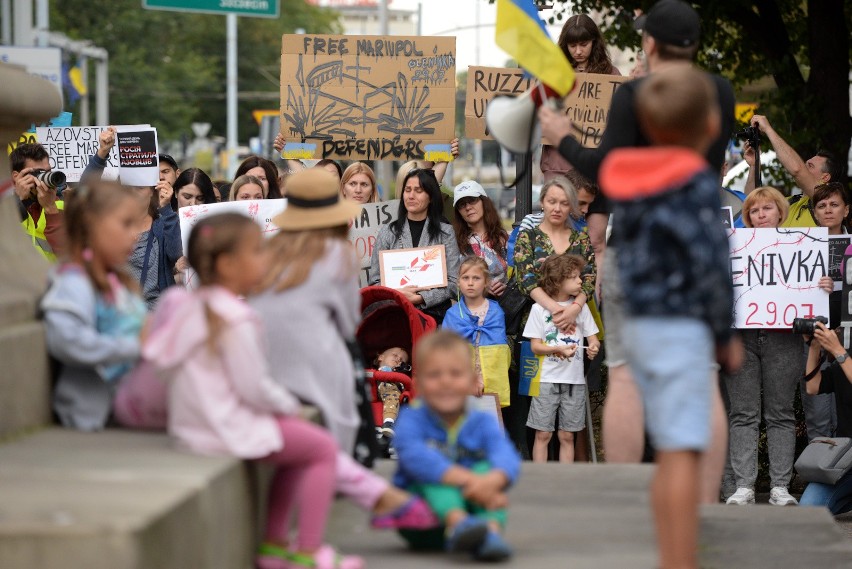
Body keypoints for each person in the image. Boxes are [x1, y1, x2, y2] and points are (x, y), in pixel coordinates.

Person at [538, 0, 735, 504]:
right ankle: (705, 502)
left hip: (638, 250)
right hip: (694, 249)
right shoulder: (719, 92)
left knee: (624, 373)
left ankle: (625, 498)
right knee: (704, 377)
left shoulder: (634, 95)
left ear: (649, 43)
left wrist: (565, 136)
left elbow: (609, 171)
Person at [141, 213, 362, 569]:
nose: (267, 258)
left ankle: (274, 546)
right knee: (320, 447)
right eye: (258, 251)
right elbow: (254, 387)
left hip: (192, 425)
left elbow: (160, 361)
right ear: (228, 264)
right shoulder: (237, 317)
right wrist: (287, 404)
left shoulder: (190, 307)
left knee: (298, 450)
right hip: (226, 427)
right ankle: (307, 551)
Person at [599, 66, 741, 569]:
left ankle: (665, 547)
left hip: (639, 326)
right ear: (709, 127)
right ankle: (679, 560)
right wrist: (724, 334)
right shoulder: (696, 186)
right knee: (682, 450)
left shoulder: (628, 181)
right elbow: (711, 266)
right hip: (683, 330)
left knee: (663, 448)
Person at [250, 169, 439, 532]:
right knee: (328, 451)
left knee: (299, 459)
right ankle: (313, 539)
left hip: (274, 371)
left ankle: (280, 536)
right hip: (321, 366)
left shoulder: (268, 255)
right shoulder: (335, 256)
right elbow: (346, 317)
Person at [393, 330, 521, 561]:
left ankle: (489, 536)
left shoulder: (480, 420)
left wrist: (493, 480)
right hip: (422, 521)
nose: (445, 382)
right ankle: (457, 523)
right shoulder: (412, 419)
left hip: (475, 509)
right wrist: (471, 480)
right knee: (434, 473)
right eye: (434, 375)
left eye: (455, 374)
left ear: (473, 382)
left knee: (487, 470)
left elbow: (505, 453)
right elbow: (416, 458)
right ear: (418, 385)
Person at [41, 181, 147, 431]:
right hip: (99, 413)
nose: (135, 234)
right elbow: (69, 341)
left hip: (126, 400)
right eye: (126, 224)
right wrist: (137, 346)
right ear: (91, 224)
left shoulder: (118, 280)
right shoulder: (74, 282)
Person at [722, 186, 804, 507]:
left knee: (781, 412)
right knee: (742, 412)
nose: (761, 215)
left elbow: (810, 286)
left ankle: (780, 487)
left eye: (767, 209)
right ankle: (744, 486)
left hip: (784, 337)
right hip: (742, 336)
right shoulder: (733, 246)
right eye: (754, 211)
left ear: (780, 212)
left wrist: (823, 284)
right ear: (748, 217)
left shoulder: (800, 246)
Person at [522, 254, 600, 463]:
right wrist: (557, 349)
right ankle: (541, 479)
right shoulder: (538, 309)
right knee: (543, 433)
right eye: (573, 277)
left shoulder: (580, 310)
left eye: (579, 276)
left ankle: (565, 481)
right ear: (557, 281)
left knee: (567, 435)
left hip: (574, 381)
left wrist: (593, 348)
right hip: (546, 380)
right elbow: (536, 346)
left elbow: (594, 339)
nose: (580, 281)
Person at [369, 168, 461, 325]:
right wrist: (398, 293)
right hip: (396, 317)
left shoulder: (445, 232)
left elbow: (454, 283)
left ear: (431, 197)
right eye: (407, 190)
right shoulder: (388, 231)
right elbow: (374, 281)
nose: (411, 196)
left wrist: (421, 298)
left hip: (435, 320)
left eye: (418, 191)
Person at [541, 14, 621, 181]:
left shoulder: (611, 76)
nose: (578, 51)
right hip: (558, 166)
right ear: (565, 46)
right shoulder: (552, 74)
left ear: (594, 42)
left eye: (584, 45)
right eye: (572, 45)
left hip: (593, 168)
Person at [513, 180, 596, 335]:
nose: (557, 209)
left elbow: (589, 279)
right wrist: (557, 310)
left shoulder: (581, 239)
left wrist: (574, 309)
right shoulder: (528, 237)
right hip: (536, 322)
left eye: (564, 203)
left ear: (571, 206)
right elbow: (526, 280)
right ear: (543, 202)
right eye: (552, 202)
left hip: (576, 322)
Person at [744, 114, 843, 228]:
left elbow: (797, 170)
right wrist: (754, 165)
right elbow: (750, 203)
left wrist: (768, 129)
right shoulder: (788, 202)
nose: (804, 168)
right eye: (804, 164)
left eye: (809, 166)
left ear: (825, 177)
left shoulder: (826, 202)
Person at [442, 257, 512, 408]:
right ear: (458, 282)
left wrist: (482, 378)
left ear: (487, 282)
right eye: (465, 278)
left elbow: (500, 352)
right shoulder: (453, 314)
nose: (470, 283)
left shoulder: (496, 312)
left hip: (491, 379)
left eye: (476, 278)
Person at [800, 322, 852, 514]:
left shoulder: (843, 356)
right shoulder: (844, 360)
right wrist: (813, 347)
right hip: (846, 461)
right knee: (809, 508)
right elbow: (813, 387)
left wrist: (838, 350)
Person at [127, 185, 183, 310]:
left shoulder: (163, 224)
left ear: (152, 191)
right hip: (122, 315)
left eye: (139, 187)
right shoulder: (113, 227)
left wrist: (166, 208)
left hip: (157, 314)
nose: (132, 191)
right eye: (127, 187)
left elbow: (176, 254)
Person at [10, 142, 66, 261]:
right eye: (39, 173)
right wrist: (18, 203)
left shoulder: (65, 206)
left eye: (48, 171)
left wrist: (51, 209)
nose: (46, 178)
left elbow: (70, 257)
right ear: (17, 177)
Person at [452, 181, 509, 294]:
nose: (468, 207)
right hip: (469, 308)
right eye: (462, 204)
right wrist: (481, 288)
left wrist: (506, 288)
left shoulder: (504, 238)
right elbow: (451, 283)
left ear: (484, 202)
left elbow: (518, 275)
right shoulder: (453, 242)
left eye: (472, 200)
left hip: (505, 306)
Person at [373, 346, 411, 438]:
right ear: (381, 357)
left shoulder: (399, 376)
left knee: (392, 394)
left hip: (391, 390)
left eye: (402, 360)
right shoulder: (377, 371)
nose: (398, 359)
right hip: (376, 385)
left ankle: (389, 422)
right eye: (395, 355)